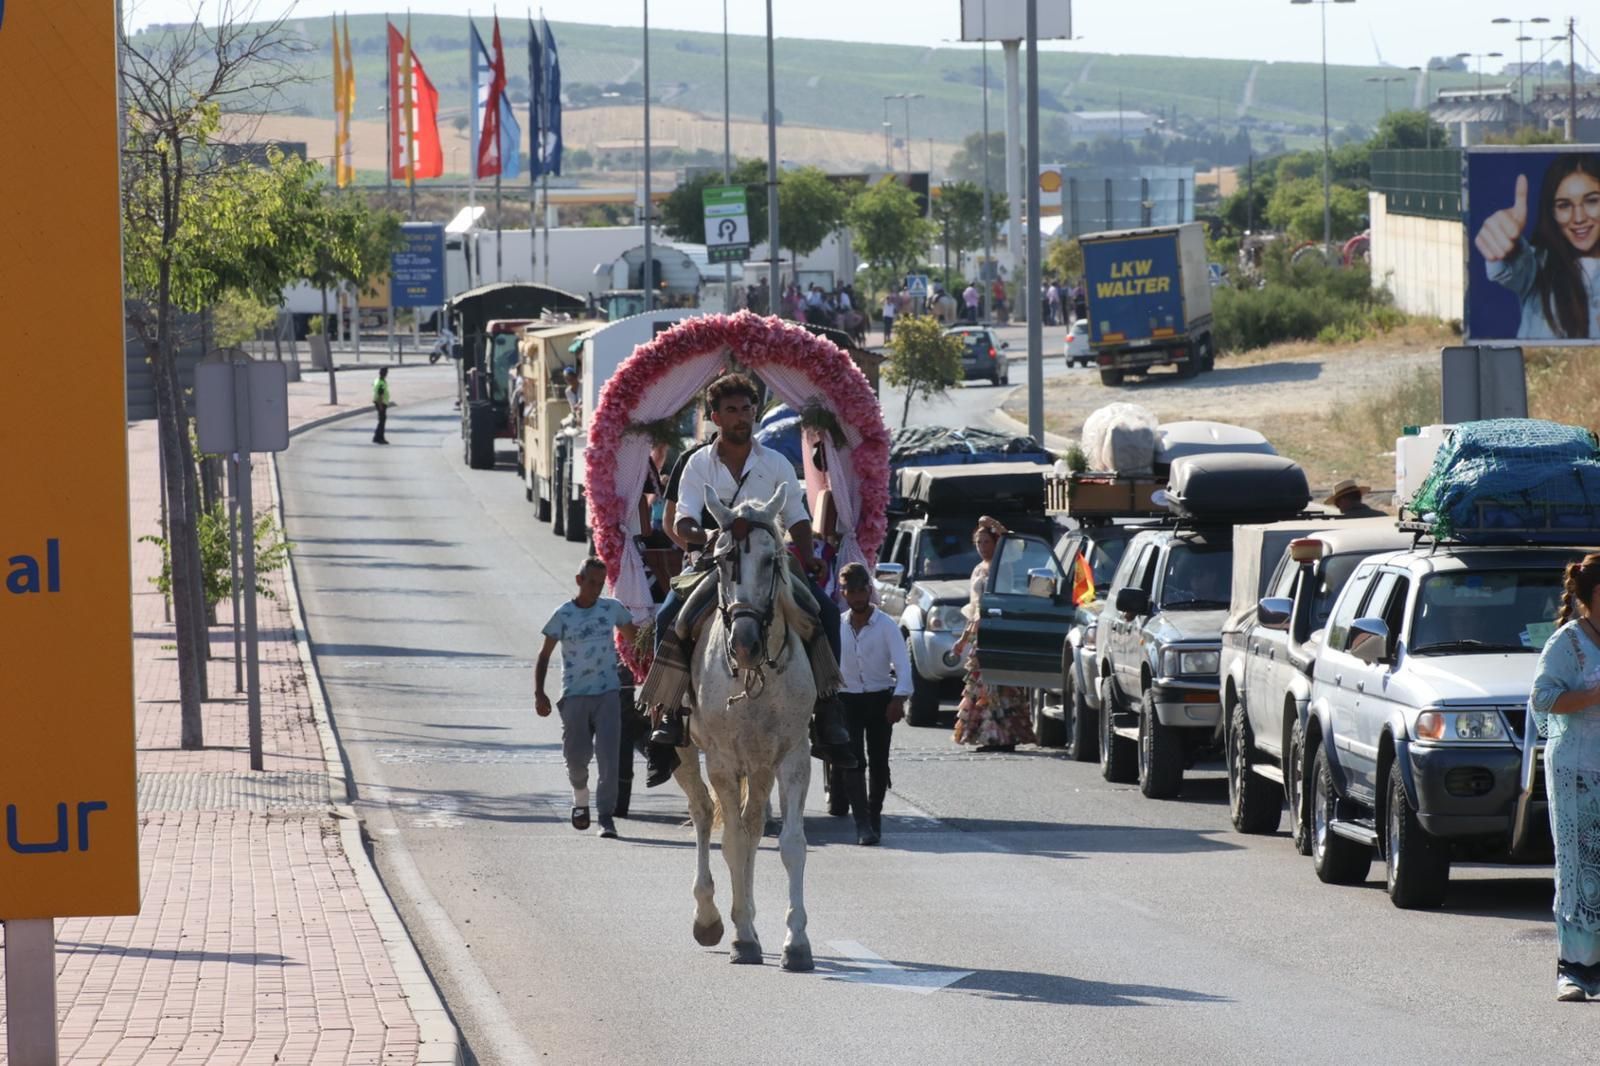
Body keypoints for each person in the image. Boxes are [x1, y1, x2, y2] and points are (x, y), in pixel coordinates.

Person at [641, 374, 855, 784]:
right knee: (670, 618)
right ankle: (667, 718)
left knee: (825, 612)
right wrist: (711, 535)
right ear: (715, 417)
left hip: (770, 560)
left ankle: (829, 712)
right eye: (733, 411)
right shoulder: (695, 462)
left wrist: (808, 559)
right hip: (713, 560)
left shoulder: (774, 462)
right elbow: (683, 520)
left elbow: (797, 517)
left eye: (748, 409)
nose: (743, 417)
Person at [1529, 553, 1600, 1000]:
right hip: (1576, 772)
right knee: (1580, 867)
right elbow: (1542, 698)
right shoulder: (1568, 642)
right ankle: (1574, 969)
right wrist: (1593, 695)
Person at [536, 558, 640, 839]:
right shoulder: (563, 615)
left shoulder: (611, 609)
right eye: (591, 582)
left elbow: (635, 638)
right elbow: (544, 655)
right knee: (576, 758)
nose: (596, 588)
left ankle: (606, 817)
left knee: (609, 759)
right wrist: (540, 693)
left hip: (607, 694)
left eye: (600, 583)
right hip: (575, 695)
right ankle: (580, 798)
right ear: (579, 580)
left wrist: (646, 654)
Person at [1476, 155, 1600, 340]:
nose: (1579, 217)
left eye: (1592, 201)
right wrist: (1506, 243)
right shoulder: (1538, 267)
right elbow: (1516, 264)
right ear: (1552, 212)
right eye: (1564, 205)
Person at [833, 562, 912, 846]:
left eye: (860, 590)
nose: (856, 597)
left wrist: (898, 698)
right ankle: (862, 823)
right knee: (854, 760)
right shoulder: (838, 625)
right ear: (843, 593)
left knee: (879, 762)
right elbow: (828, 665)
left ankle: (875, 815)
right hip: (847, 700)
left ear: (869, 590)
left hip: (879, 699)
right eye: (849, 591)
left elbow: (903, 667)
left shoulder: (886, 625)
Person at [951, 516, 1037, 751]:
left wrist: (993, 524)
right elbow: (975, 609)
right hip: (979, 631)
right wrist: (963, 639)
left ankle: (1004, 737)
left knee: (998, 685)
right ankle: (989, 736)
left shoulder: (1003, 566)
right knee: (982, 686)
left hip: (997, 630)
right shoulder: (978, 569)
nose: (982, 547)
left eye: (986, 542)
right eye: (978, 543)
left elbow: (1013, 543)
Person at [372, 367, 392, 445]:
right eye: (386, 372)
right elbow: (380, 394)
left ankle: (376, 437)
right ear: (385, 373)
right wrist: (380, 406)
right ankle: (380, 438)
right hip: (381, 403)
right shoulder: (381, 382)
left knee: (381, 420)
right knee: (382, 421)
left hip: (379, 402)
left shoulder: (378, 380)